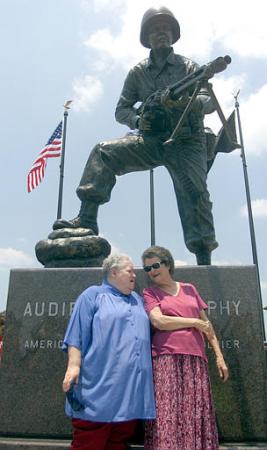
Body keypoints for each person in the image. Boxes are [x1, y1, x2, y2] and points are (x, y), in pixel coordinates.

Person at [54, 6, 220, 265]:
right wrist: (139, 119)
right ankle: (86, 217)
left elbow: (207, 100)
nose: (161, 33)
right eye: (155, 29)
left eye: (165, 28)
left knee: (195, 194)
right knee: (103, 152)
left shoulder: (190, 68)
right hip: (152, 140)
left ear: (173, 34)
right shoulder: (138, 73)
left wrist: (186, 102)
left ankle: (203, 256)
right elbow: (121, 109)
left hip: (186, 140)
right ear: (147, 38)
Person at [62, 253, 156, 450]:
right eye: (130, 271)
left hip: (131, 390)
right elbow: (76, 334)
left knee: (118, 441)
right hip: (99, 386)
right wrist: (73, 365)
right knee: (89, 442)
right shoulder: (93, 295)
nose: (135, 276)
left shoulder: (137, 299)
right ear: (114, 272)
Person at [141, 245, 229, 450]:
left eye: (155, 265)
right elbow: (159, 321)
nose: (152, 271)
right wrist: (193, 322)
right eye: (147, 269)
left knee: (193, 412)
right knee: (168, 413)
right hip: (165, 358)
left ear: (168, 264)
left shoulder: (190, 289)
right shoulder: (150, 292)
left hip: (196, 359)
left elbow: (207, 326)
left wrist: (219, 356)